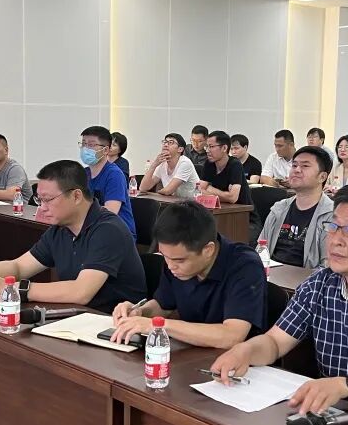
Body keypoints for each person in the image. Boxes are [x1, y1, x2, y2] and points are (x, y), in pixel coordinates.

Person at [209, 180, 348, 416]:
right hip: (339, 414)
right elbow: (275, 343)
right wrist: (245, 351)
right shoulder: (319, 284)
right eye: (333, 226)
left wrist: (345, 386)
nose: (336, 240)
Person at [0, 160, 147, 312]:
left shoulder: (108, 230)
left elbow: (81, 292)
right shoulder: (61, 229)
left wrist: (13, 289)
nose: (42, 207)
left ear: (76, 196)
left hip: (112, 324)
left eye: (48, 200)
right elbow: (19, 267)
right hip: (77, 317)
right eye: (39, 200)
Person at [109, 202, 266, 347]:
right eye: (165, 256)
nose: (170, 266)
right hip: (191, 353)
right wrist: (139, 312)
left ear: (208, 250)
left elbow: (232, 336)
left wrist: (158, 325)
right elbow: (163, 305)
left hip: (239, 360)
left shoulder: (245, 266)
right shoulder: (174, 260)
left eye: (179, 260)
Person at [260, 147, 334, 269]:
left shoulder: (331, 215)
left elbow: (328, 266)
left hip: (308, 278)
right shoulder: (278, 209)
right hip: (272, 276)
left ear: (322, 177)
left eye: (305, 166)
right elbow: (261, 250)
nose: (297, 170)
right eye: (294, 165)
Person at [79, 125, 136, 239]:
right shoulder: (83, 174)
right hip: (91, 231)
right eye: (83, 144)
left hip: (117, 234)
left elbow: (110, 213)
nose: (85, 148)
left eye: (91, 145)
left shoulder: (114, 175)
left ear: (105, 150)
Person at [199, 130, 253, 208]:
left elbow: (232, 198)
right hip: (218, 208)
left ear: (224, 148)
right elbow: (199, 190)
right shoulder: (209, 163)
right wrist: (225, 195)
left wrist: (209, 189)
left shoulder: (235, 164)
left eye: (211, 147)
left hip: (242, 211)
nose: (207, 150)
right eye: (206, 146)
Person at [139, 133, 198, 198]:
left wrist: (155, 194)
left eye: (170, 142)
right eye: (165, 142)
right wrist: (154, 165)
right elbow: (143, 188)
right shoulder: (162, 163)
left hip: (190, 202)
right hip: (171, 201)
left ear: (180, 149)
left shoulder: (185, 163)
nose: (166, 145)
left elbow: (168, 191)